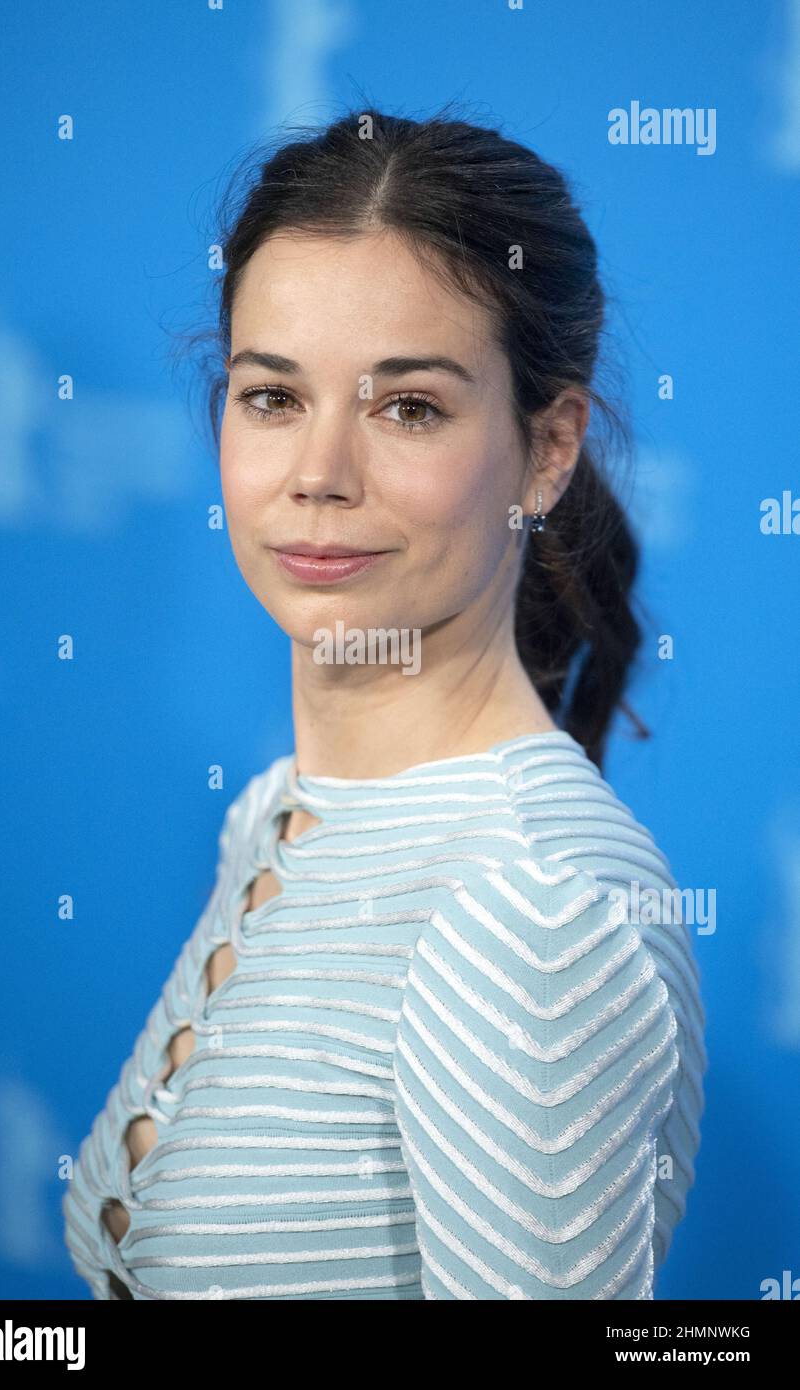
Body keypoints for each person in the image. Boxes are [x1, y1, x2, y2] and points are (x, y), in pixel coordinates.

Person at [63, 105, 706, 1300]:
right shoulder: (273, 817)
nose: (317, 475)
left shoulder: (537, 908)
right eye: (272, 397)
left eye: (405, 406)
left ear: (547, 447)